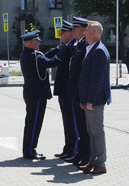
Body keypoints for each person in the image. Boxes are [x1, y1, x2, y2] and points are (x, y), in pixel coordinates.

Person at [20, 29, 61, 160]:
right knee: (35, 123)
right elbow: (50, 62)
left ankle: (28, 149)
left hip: (32, 93)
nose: (39, 43)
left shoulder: (27, 54)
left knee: (31, 122)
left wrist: (56, 50)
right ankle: (30, 150)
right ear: (31, 42)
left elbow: (44, 57)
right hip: (37, 94)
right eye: (37, 41)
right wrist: (62, 54)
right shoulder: (33, 56)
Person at [78, 21, 111, 175]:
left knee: (97, 132)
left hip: (95, 100)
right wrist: (83, 100)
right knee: (91, 132)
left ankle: (101, 163)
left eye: (86, 31)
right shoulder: (92, 49)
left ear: (94, 33)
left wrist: (90, 100)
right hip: (89, 100)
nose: (84, 33)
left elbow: (97, 79)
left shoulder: (98, 51)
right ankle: (93, 160)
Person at [63, 16, 91, 167]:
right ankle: (81, 153)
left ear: (82, 30)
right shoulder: (79, 45)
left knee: (84, 126)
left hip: (80, 91)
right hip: (75, 91)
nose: (72, 31)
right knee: (80, 125)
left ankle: (86, 155)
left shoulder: (85, 45)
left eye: (75, 29)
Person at [53, 20, 78, 160]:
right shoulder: (65, 46)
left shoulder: (74, 47)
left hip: (69, 91)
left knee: (71, 121)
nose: (60, 34)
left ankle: (73, 149)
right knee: (66, 121)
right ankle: (68, 148)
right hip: (63, 90)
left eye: (62, 32)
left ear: (71, 33)